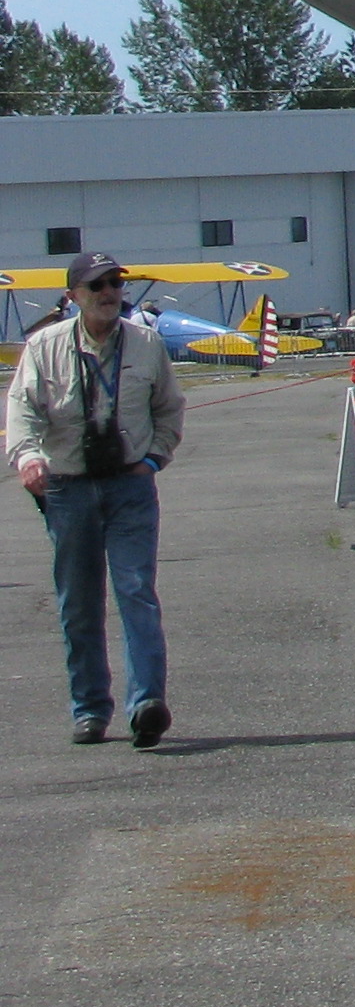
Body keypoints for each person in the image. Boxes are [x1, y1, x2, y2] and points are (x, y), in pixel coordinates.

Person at [7, 252, 184, 747]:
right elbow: (22, 409)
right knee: (79, 604)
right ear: (73, 298)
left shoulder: (147, 344)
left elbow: (169, 407)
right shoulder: (43, 346)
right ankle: (89, 707)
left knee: (137, 593)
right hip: (68, 487)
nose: (109, 293)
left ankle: (147, 703)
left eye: (115, 284)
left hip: (130, 486)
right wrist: (27, 458)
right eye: (97, 286)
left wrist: (153, 458)